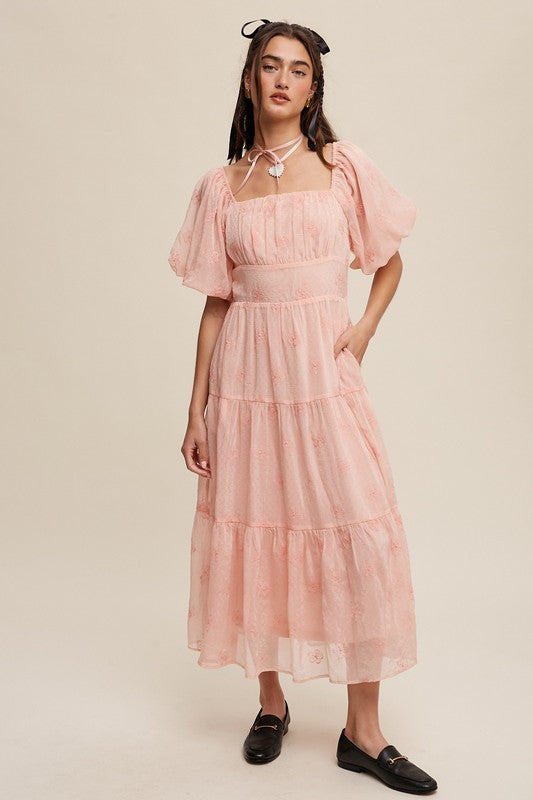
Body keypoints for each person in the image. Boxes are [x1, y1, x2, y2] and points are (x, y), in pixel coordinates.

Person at [167, 18, 438, 795]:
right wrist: (196, 408)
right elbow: (217, 303)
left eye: (297, 70)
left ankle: (363, 731)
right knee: (256, 532)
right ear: (250, 80)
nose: (281, 80)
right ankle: (270, 703)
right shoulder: (222, 186)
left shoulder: (342, 166)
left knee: (358, 533)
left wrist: (362, 329)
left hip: (320, 375)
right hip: (248, 384)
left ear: (314, 89)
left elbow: (386, 262)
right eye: (268, 67)